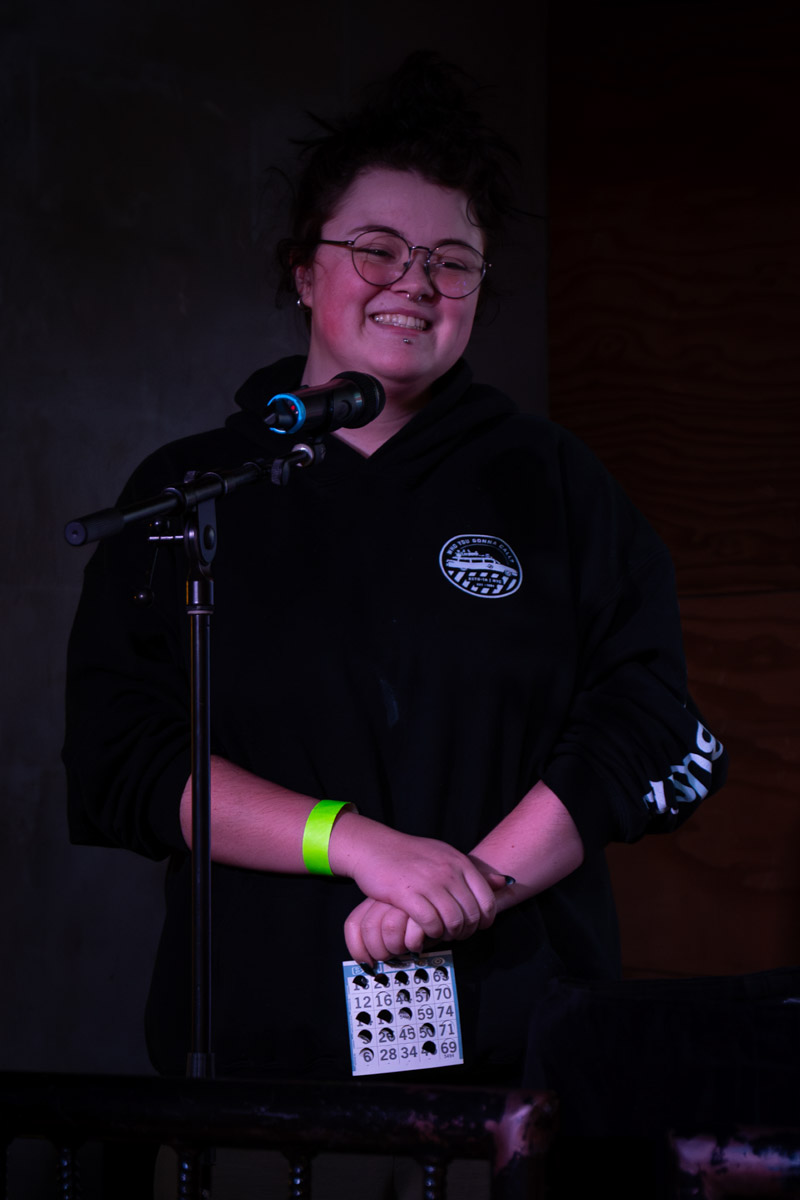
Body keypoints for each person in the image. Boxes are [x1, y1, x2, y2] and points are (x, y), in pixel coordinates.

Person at [63, 50, 727, 1156]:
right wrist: (358, 845)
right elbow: (124, 758)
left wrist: (468, 889)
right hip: (253, 1066)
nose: (413, 282)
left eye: (450, 262)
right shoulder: (191, 494)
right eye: (376, 248)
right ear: (302, 270)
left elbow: (643, 723)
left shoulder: (558, 488)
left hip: (520, 1072)